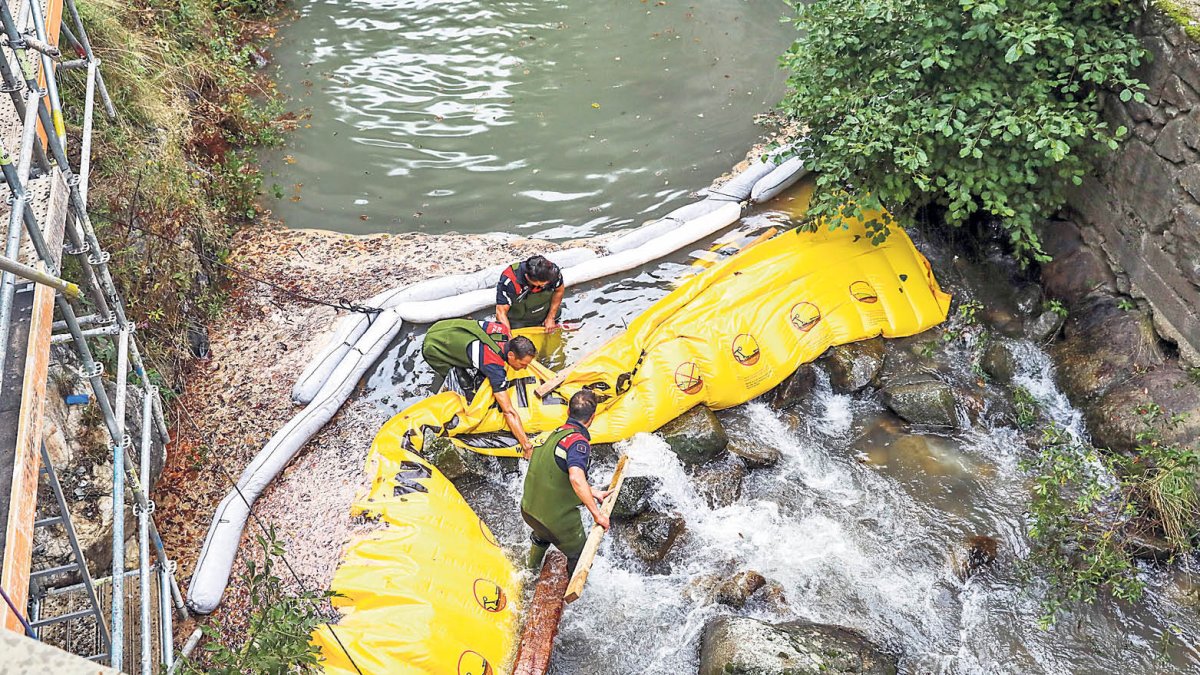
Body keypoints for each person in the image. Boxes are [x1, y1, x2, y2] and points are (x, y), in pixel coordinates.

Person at [520, 389, 611, 575]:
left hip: (529, 511)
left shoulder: (553, 434)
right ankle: (574, 591)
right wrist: (597, 515)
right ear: (592, 418)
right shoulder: (578, 443)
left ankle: (528, 573)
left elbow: (554, 472)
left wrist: (593, 492)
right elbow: (576, 478)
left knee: (542, 534)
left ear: (568, 412)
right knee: (581, 556)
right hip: (554, 521)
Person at [421, 318, 538, 458]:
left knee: (477, 372)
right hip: (434, 348)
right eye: (523, 364)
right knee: (462, 388)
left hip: (445, 328)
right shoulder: (493, 365)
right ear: (511, 355)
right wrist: (526, 445)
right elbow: (508, 412)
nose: (524, 368)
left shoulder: (504, 331)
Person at [495, 254, 565, 331]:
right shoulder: (510, 281)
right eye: (541, 284)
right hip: (519, 321)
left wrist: (551, 318)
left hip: (545, 313)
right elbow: (501, 312)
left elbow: (559, 291)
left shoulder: (552, 272)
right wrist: (508, 335)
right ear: (528, 277)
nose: (544, 285)